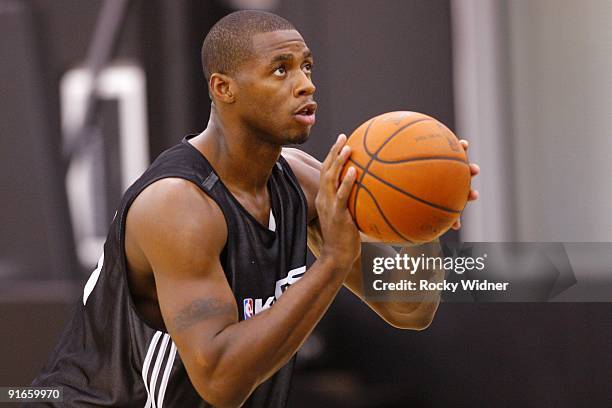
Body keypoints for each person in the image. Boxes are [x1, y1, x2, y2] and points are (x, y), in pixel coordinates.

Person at [32, 10, 479, 407]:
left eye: (306, 66)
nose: (305, 83)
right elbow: (220, 382)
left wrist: (422, 219)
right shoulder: (179, 206)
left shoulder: (301, 182)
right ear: (224, 88)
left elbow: (409, 308)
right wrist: (332, 262)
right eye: (280, 70)